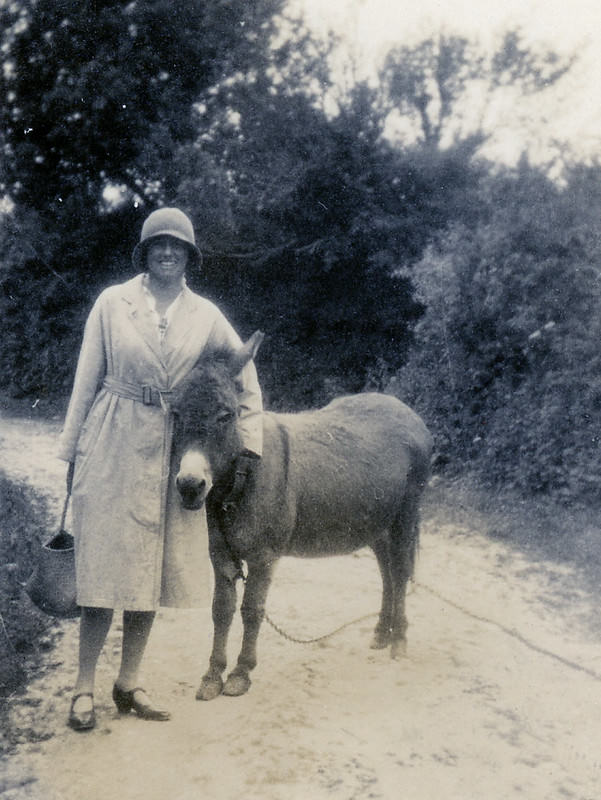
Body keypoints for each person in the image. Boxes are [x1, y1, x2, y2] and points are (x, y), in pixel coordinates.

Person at [58, 207, 263, 731]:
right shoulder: (112, 303)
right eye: (157, 245)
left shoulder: (207, 314)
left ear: (189, 255)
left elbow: (244, 376)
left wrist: (250, 446)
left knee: (151, 571)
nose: (167, 253)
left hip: (173, 447)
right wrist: (71, 451)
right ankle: (84, 687)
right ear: (145, 253)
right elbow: (87, 378)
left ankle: (128, 684)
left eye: (177, 246)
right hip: (113, 435)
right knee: (103, 570)